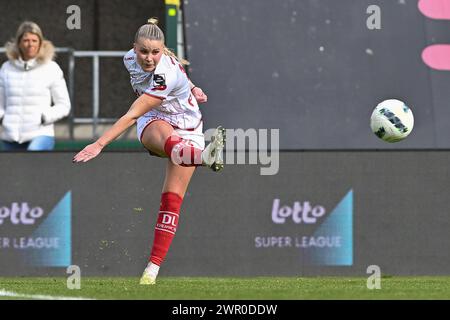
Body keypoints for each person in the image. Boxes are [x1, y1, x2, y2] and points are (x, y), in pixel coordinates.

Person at [73, 18, 225, 285]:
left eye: (155, 52)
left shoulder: (164, 74)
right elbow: (139, 111)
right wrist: (192, 87)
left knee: (171, 202)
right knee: (163, 134)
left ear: (163, 50)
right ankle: (204, 157)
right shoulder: (128, 59)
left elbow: (134, 111)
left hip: (189, 126)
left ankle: (151, 271)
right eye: (144, 51)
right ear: (134, 48)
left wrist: (99, 143)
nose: (149, 58)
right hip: (155, 118)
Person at [0, 21, 71, 151]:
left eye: (34, 40)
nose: (30, 44)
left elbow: (64, 105)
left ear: (40, 43)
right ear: (18, 43)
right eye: (26, 40)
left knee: (32, 158)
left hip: (40, 134)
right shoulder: (6, 68)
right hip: (10, 136)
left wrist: (44, 117)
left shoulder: (51, 68)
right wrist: (4, 118)